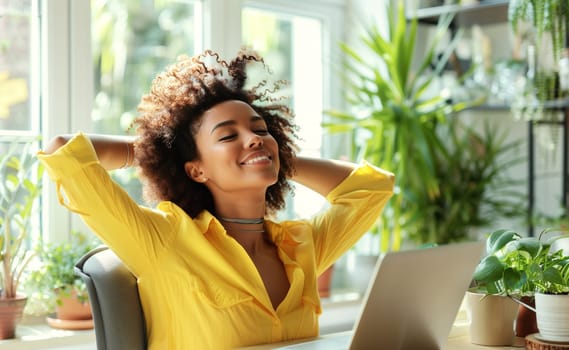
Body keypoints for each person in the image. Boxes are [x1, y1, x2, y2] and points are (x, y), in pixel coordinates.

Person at [38, 49, 394, 349]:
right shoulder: (164, 241)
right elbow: (64, 151)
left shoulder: (301, 246)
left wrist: (275, 155)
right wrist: (155, 151)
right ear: (196, 170)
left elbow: (370, 188)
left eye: (260, 130)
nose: (254, 138)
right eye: (227, 136)